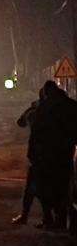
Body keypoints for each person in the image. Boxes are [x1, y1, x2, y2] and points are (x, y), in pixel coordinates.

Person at [29, 80, 77, 229]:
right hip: (65, 155)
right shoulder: (72, 106)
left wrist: (33, 153)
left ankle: (50, 219)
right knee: (64, 189)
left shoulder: (44, 108)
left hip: (46, 156)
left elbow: (36, 132)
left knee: (45, 189)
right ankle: (61, 221)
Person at [12, 88, 45, 224]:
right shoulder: (68, 107)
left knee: (33, 188)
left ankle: (25, 216)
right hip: (63, 157)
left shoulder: (36, 111)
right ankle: (57, 220)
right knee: (62, 189)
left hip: (39, 156)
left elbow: (21, 122)